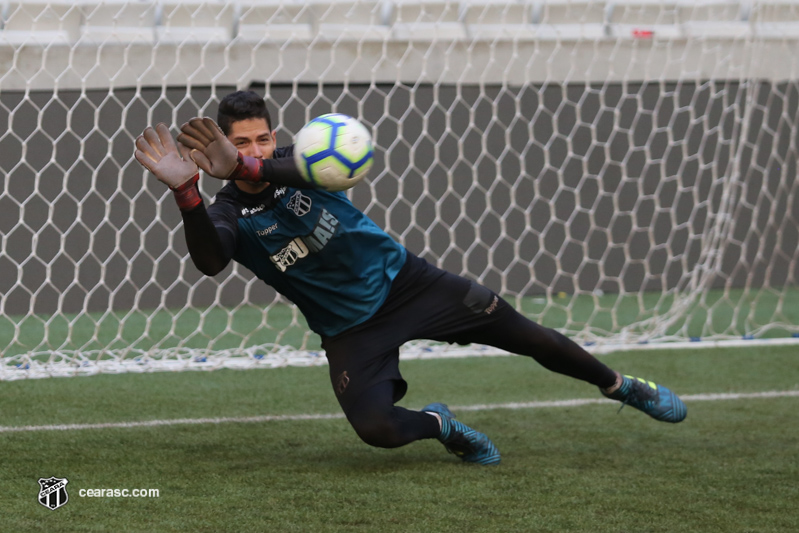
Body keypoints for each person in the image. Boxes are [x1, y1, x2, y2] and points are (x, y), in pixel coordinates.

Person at [134, 90, 687, 466]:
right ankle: (443, 426)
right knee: (378, 431)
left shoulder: (303, 156)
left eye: (259, 140)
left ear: (271, 136)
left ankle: (622, 386)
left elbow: (315, 167)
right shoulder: (227, 210)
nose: (252, 150)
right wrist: (188, 195)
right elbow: (211, 260)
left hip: (408, 285)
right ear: (214, 152)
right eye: (240, 143)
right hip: (351, 330)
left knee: (528, 336)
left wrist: (249, 164)